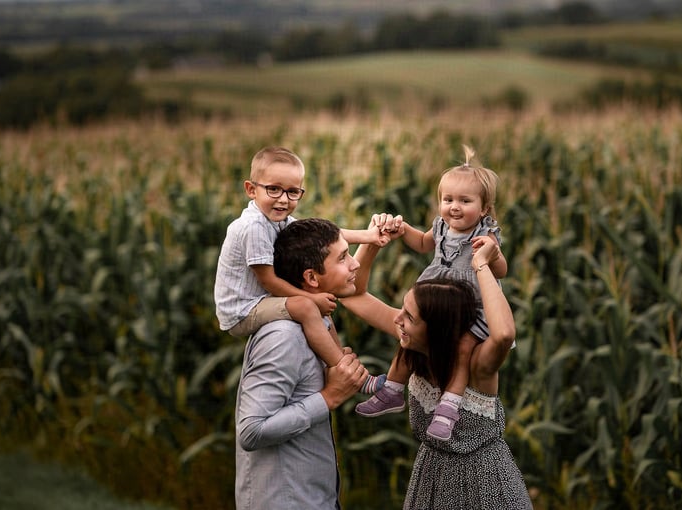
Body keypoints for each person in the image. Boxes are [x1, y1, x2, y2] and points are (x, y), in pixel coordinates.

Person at [340, 215, 533, 509]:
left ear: (436, 329)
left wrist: (482, 265)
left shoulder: (478, 364)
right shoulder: (413, 339)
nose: (397, 320)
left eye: (409, 316)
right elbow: (352, 296)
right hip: (430, 478)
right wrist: (371, 240)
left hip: (485, 484)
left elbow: (504, 334)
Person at [356, 145, 509, 441]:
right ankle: (392, 389)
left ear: (484, 208)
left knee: (463, 347)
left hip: (470, 306)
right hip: (437, 297)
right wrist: (403, 230)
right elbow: (423, 244)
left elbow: (501, 271)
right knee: (408, 338)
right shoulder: (441, 227)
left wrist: (491, 255)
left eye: (465, 201)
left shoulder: (485, 232)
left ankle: (448, 408)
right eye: (447, 199)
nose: (454, 207)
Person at [214, 146, 386, 394]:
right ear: (251, 189)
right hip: (242, 309)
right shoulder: (254, 227)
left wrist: (369, 236)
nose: (283, 199)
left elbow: (327, 237)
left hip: (260, 300)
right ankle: (348, 373)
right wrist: (312, 298)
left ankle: (335, 358)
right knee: (307, 306)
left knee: (318, 306)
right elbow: (269, 281)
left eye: (292, 192)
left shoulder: (277, 218)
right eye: (273, 189)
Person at [235, 218, 374, 510]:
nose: (354, 264)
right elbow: (251, 431)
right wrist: (329, 397)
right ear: (311, 277)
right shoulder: (283, 337)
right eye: (343, 258)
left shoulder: (317, 323)